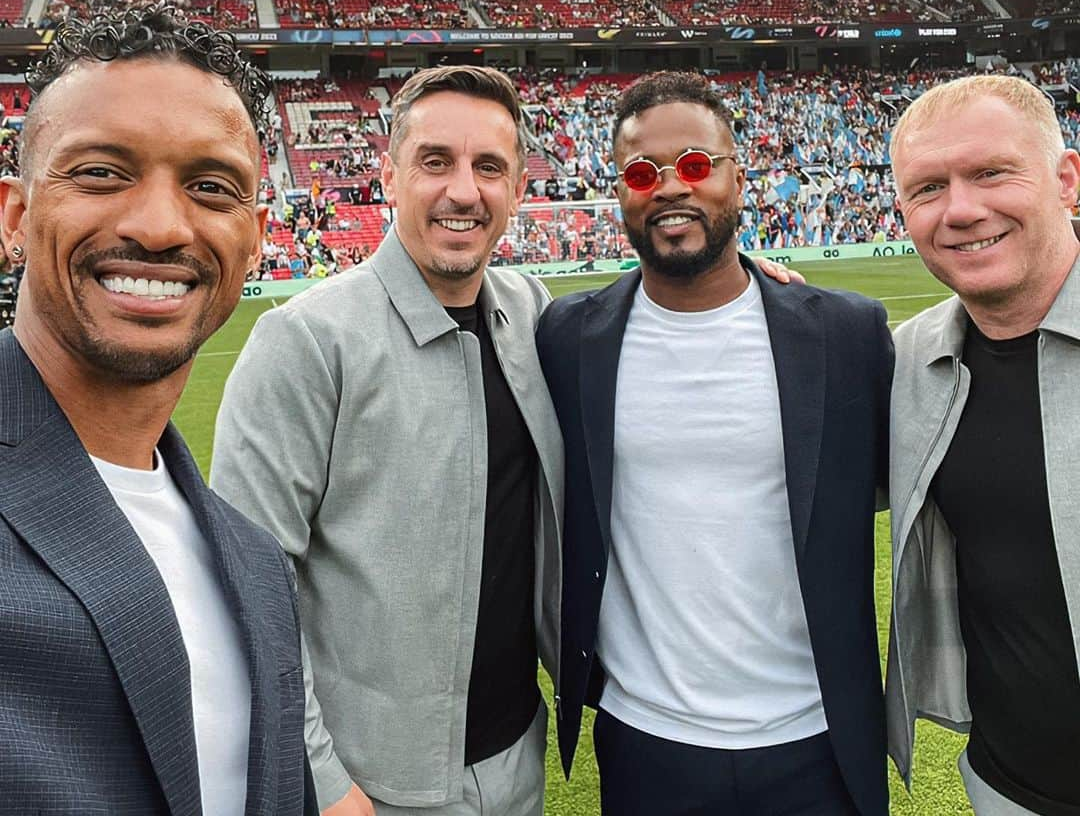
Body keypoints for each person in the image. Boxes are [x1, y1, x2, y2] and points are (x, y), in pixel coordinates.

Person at [536, 71, 893, 816]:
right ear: (620, 194)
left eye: (696, 166)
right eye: (642, 173)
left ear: (738, 177)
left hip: (816, 735)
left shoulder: (844, 334)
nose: (671, 188)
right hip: (645, 740)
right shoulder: (568, 339)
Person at [211, 66, 565, 816]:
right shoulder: (305, 342)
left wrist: (744, 281)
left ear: (519, 188)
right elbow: (246, 588)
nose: (463, 190)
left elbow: (639, 324)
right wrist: (324, 779)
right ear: (390, 176)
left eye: (488, 167)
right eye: (436, 161)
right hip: (370, 786)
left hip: (515, 763)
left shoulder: (531, 314)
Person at [0, 6, 317, 815]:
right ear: (15, 217)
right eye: (102, 172)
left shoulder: (253, 564)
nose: (159, 226)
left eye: (211, 188)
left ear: (253, 239)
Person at [887, 75, 1080, 815]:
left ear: (1065, 180)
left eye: (992, 172)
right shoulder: (907, 363)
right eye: (928, 187)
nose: (962, 210)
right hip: (1005, 788)